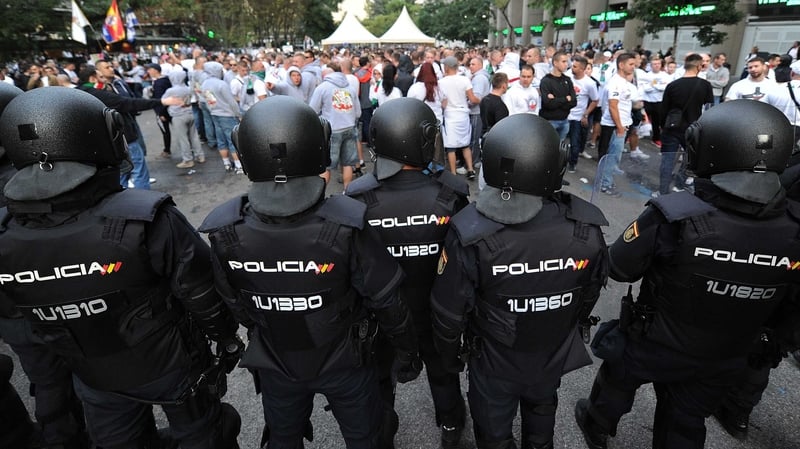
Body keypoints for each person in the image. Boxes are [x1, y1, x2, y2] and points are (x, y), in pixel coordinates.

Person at [0, 87, 242, 449]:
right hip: (170, 364)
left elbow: (16, 313)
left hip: (92, 373)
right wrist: (225, 336)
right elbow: (201, 290)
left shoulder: (6, 232)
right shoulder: (145, 217)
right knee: (202, 434)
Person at [574, 100, 800, 449]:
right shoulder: (795, 227)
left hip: (654, 340)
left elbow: (619, 267)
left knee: (617, 381)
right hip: (728, 350)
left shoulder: (675, 215)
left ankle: (597, 425)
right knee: (686, 420)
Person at [199, 96, 420, 449]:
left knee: (283, 439)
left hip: (277, 358)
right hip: (345, 360)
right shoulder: (346, 223)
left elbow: (233, 303)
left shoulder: (226, 230)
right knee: (366, 439)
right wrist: (406, 350)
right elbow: (386, 299)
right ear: (318, 146)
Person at [431, 113, 610, 449]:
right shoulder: (585, 229)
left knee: (493, 433)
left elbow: (449, 312)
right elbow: (589, 294)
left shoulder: (471, 232)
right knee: (541, 420)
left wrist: (450, 357)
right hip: (550, 353)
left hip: (493, 361)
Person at [345, 98, 470, 449]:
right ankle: (451, 424)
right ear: (424, 139)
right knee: (442, 371)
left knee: (379, 376)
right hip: (435, 308)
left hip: (381, 312)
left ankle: (381, 434)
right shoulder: (451, 192)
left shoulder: (359, 196)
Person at [657, 53, 713, 196]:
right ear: (699, 66)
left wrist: (662, 126)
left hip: (672, 127)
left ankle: (663, 191)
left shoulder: (673, 85)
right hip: (693, 127)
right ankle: (680, 185)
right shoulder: (705, 85)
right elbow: (709, 109)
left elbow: (664, 109)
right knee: (689, 160)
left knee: (668, 160)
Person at [539, 51, 577, 140]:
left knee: (561, 146)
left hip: (565, 120)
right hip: (550, 121)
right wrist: (565, 99)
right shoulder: (546, 81)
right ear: (555, 63)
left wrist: (556, 99)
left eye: (567, 61)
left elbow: (573, 102)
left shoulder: (567, 80)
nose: (566, 64)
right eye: (563, 61)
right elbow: (548, 104)